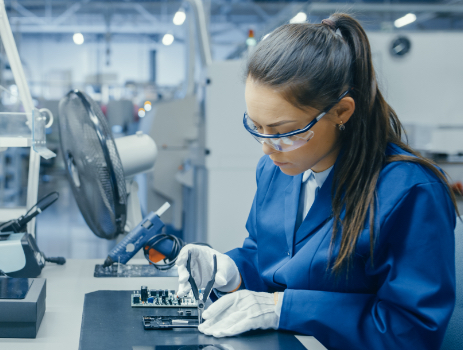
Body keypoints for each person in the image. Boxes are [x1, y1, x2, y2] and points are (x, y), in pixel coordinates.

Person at [175, 13, 460, 350]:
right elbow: (267, 261)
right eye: (256, 127)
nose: (267, 148)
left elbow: (411, 331)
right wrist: (231, 269)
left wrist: (285, 309)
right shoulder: (276, 171)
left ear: (341, 112)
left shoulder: (410, 192)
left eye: (284, 132)